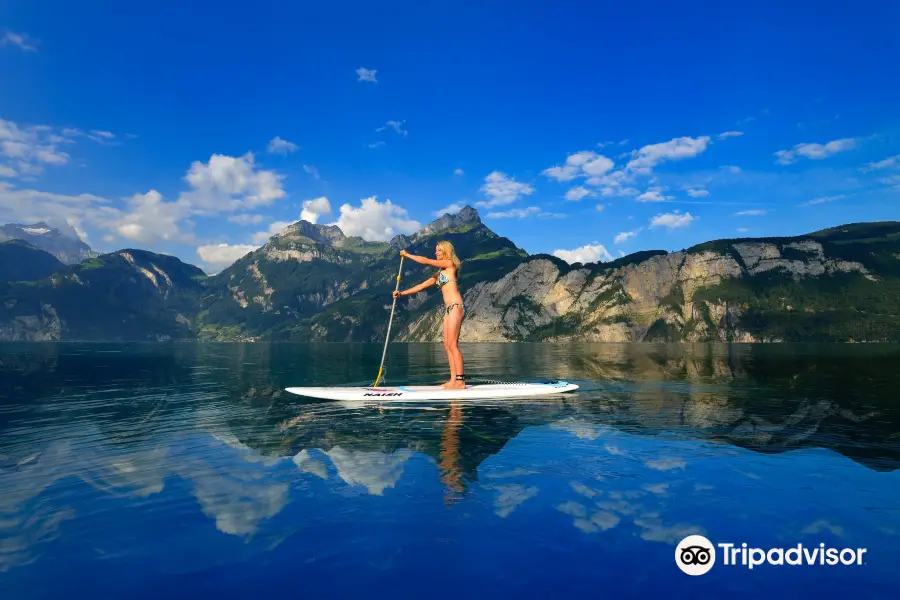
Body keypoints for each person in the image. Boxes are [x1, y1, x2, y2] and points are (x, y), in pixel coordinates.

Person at [393, 241, 466, 389]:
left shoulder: (450, 264)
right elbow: (421, 286)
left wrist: (407, 255)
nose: (436, 253)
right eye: (436, 250)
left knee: (452, 344)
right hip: (448, 309)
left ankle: (460, 381)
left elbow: (425, 261)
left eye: (438, 250)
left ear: (445, 251)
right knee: (447, 345)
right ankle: (453, 380)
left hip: (456, 306)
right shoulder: (439, 274)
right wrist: (401, 293)